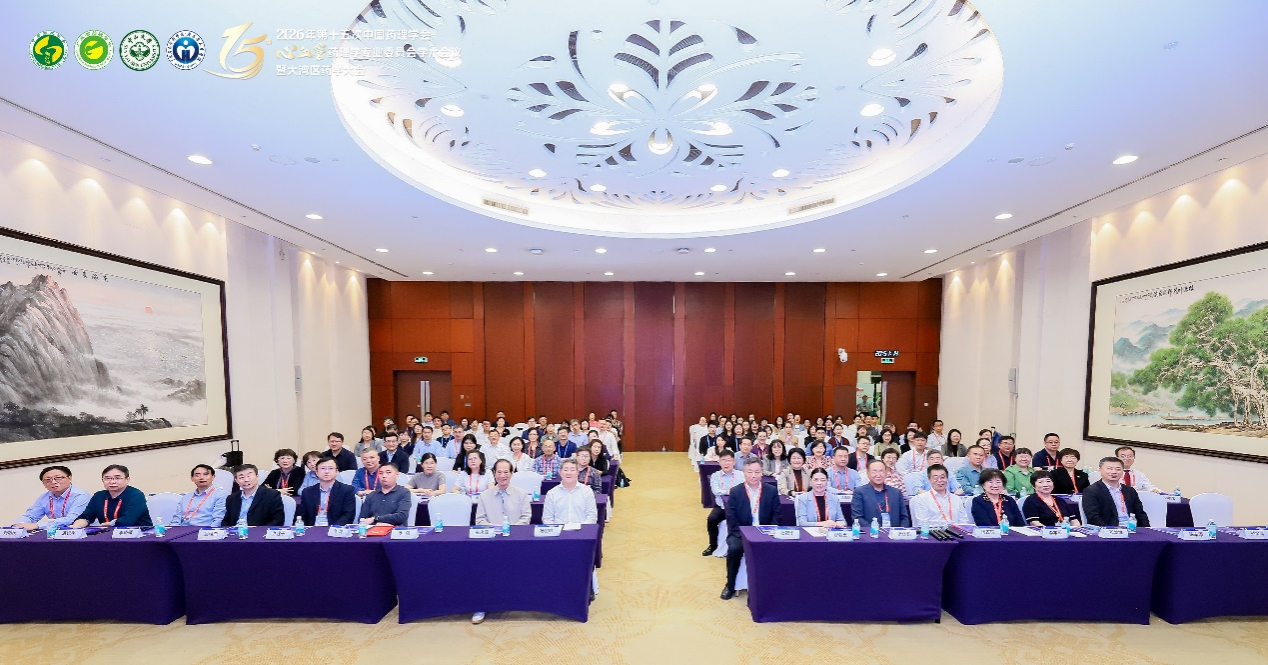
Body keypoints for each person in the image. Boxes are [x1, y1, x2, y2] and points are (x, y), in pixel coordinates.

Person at [721, 457, 780, 600]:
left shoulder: (771, 490)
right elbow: (732, 518)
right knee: (734, 549)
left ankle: (772, 585)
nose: (753, 475)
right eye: (750, 472)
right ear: (744, 472)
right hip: (741, 533)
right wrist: (744, 534)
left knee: (777, 548)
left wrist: (770, 531)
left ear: (761, 473)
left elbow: (777, 514)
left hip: (765, 531)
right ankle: (730, 585)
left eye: (757, 472)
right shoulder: (736, 491)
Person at [71, 464, 153, 528]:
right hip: (109, 535)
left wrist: (109, 524)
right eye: (107, 478)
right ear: (102, 480)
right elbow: (87, 516)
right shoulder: (98, 496)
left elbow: (127, 520)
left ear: (127, 479)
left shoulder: (136, 495)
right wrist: (77, 525)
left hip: (139, 535)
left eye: (117, 478)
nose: (112, 482)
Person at [12, 465, 90, 532]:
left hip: (81, 534)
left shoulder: (80, 495)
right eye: (48, 480)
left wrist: (36, 526)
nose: (53, 482)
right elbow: (31, 516)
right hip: (55, 533)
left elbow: (72, 519)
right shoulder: (45, 497)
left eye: (58, 478)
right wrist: (17, 525)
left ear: (69, 478)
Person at [1082, 457, 1150, 528]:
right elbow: (1093, 517)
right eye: (1109, 469)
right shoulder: (1092, 491)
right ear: (1100, 470)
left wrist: (1146, 529)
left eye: (1118, 469)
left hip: (1132, 528)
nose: (1114, 472)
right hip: (1109, 529)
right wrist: (1111, 530)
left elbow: (1140, 514)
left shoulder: (1130, 491)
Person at [299, 457, 357, 526]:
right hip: (313, 528)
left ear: (336, 472)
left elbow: (348, 515)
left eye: (330, 468)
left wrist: (334, 528)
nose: (326, 471)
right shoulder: (307, 492)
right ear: (317, 472)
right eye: (323, 468)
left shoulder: (347, 490)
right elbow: (302, 516)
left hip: (336, 528)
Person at [221, 465, 286, 527]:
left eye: (249, 476)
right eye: (242, 477)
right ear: (236, 481)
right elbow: (226, 521)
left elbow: (278, 520)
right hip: (235, 532)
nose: (246, 480)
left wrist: (259, 531)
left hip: (259, 532)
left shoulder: (272, 495)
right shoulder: (232, 498)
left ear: (257, 477)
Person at [702, 450, 740, 556]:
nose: (726, 463)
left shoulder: (741, 475)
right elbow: (715, 490)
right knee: (711, 520)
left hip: (737, 507)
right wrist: (729, 491)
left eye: (729, 460)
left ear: (734, 462)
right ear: (719, 462)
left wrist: (729, 492)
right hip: (721, 507)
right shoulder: (715, 476)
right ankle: (713, 545)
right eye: (723, 460)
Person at [851, 460, 909, 528]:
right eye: (874, 471)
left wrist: (899, 531)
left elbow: (904, 517)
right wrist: (875, 530)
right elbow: (857, 517)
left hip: (894, 532)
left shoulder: (896, 492)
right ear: (868, 474)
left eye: (881, 471)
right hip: (871, 533)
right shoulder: (860, 492)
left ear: (886, 473)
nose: (878, 475)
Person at [475, 459, 532, 527]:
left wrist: (512, 529)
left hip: (515, 532)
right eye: (499, 472)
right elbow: (480, 520)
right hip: (492, 532)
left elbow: (526, 517)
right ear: (494, 473)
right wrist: (495, 528)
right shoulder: (484, 495)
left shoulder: (521, 494)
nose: (502, 476)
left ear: (511, 473)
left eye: (506, 472)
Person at [543, 459, 598, 524]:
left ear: (577, 472)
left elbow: (592, 516)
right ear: (560, 472)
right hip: (559, 529)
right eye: (565, 470)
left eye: (572, 470)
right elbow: (547, 518)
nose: (569, 473)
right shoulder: (552, 493)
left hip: (581, 529)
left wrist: (583, 528)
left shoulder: (587, 491)